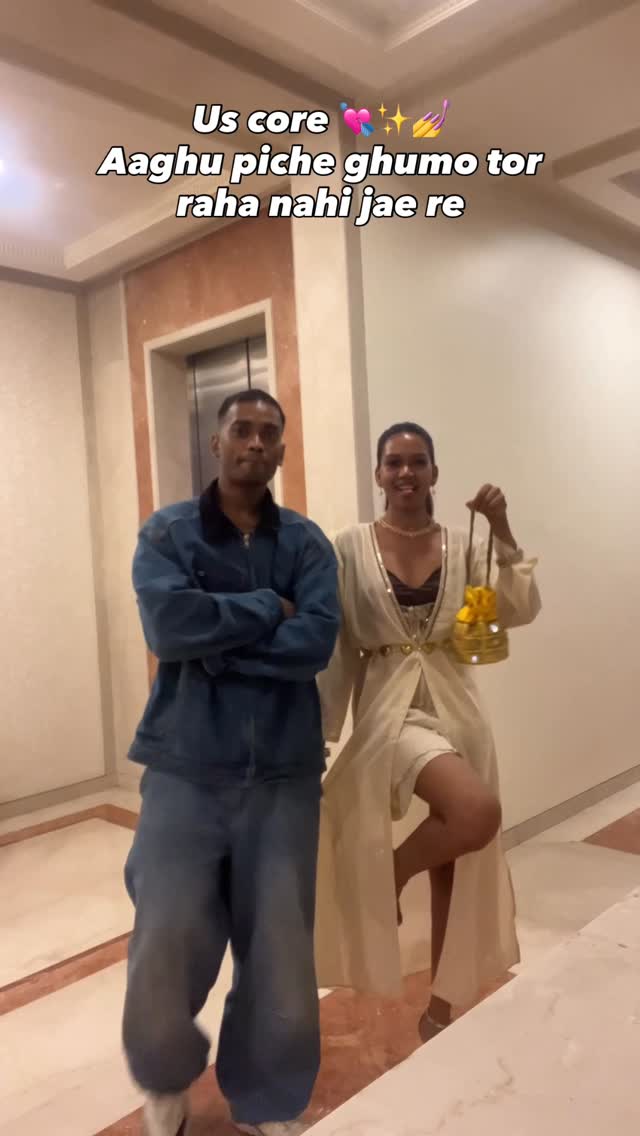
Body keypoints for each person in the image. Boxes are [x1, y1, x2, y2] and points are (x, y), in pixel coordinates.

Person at [122, 390, 340, 1136]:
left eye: (268, 433)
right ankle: (164, 1077)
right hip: (184, 768)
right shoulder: (169, 534)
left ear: (281, 450)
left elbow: (315, 642)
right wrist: (265, 608)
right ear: (215, 443)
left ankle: (268, 1100)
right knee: (165, 938)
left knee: (280, 955)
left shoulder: (306, 544)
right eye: (241, 430)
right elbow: (169, 627)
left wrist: (215, 648)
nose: (254, 442)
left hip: (284, 776)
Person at [315, 422, 541, 1039]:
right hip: (391, 711)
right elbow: (337, 645)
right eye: (394, 462)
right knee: (475, 813)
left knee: (457, 861)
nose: (406, 473)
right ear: (378, 474)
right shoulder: (348, 546)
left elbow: (517, 610)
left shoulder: (464, 544)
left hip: (458, 706)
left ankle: (441, 1010)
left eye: (417, 462)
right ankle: (389, 874)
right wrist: (323, 731)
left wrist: (502, 530)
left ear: (435, 473)